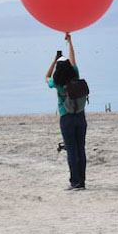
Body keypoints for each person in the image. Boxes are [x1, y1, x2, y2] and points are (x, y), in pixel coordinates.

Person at [46, 33, 86, 190]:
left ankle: (74, 182)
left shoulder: (56, 82)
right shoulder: (75, 74)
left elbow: (46, 76)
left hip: (66, 118)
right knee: (80, 149)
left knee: (71, 150)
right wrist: (70, 42)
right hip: (80, 116)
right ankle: (81, 181)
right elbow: (73, 58)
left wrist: (54, 60)